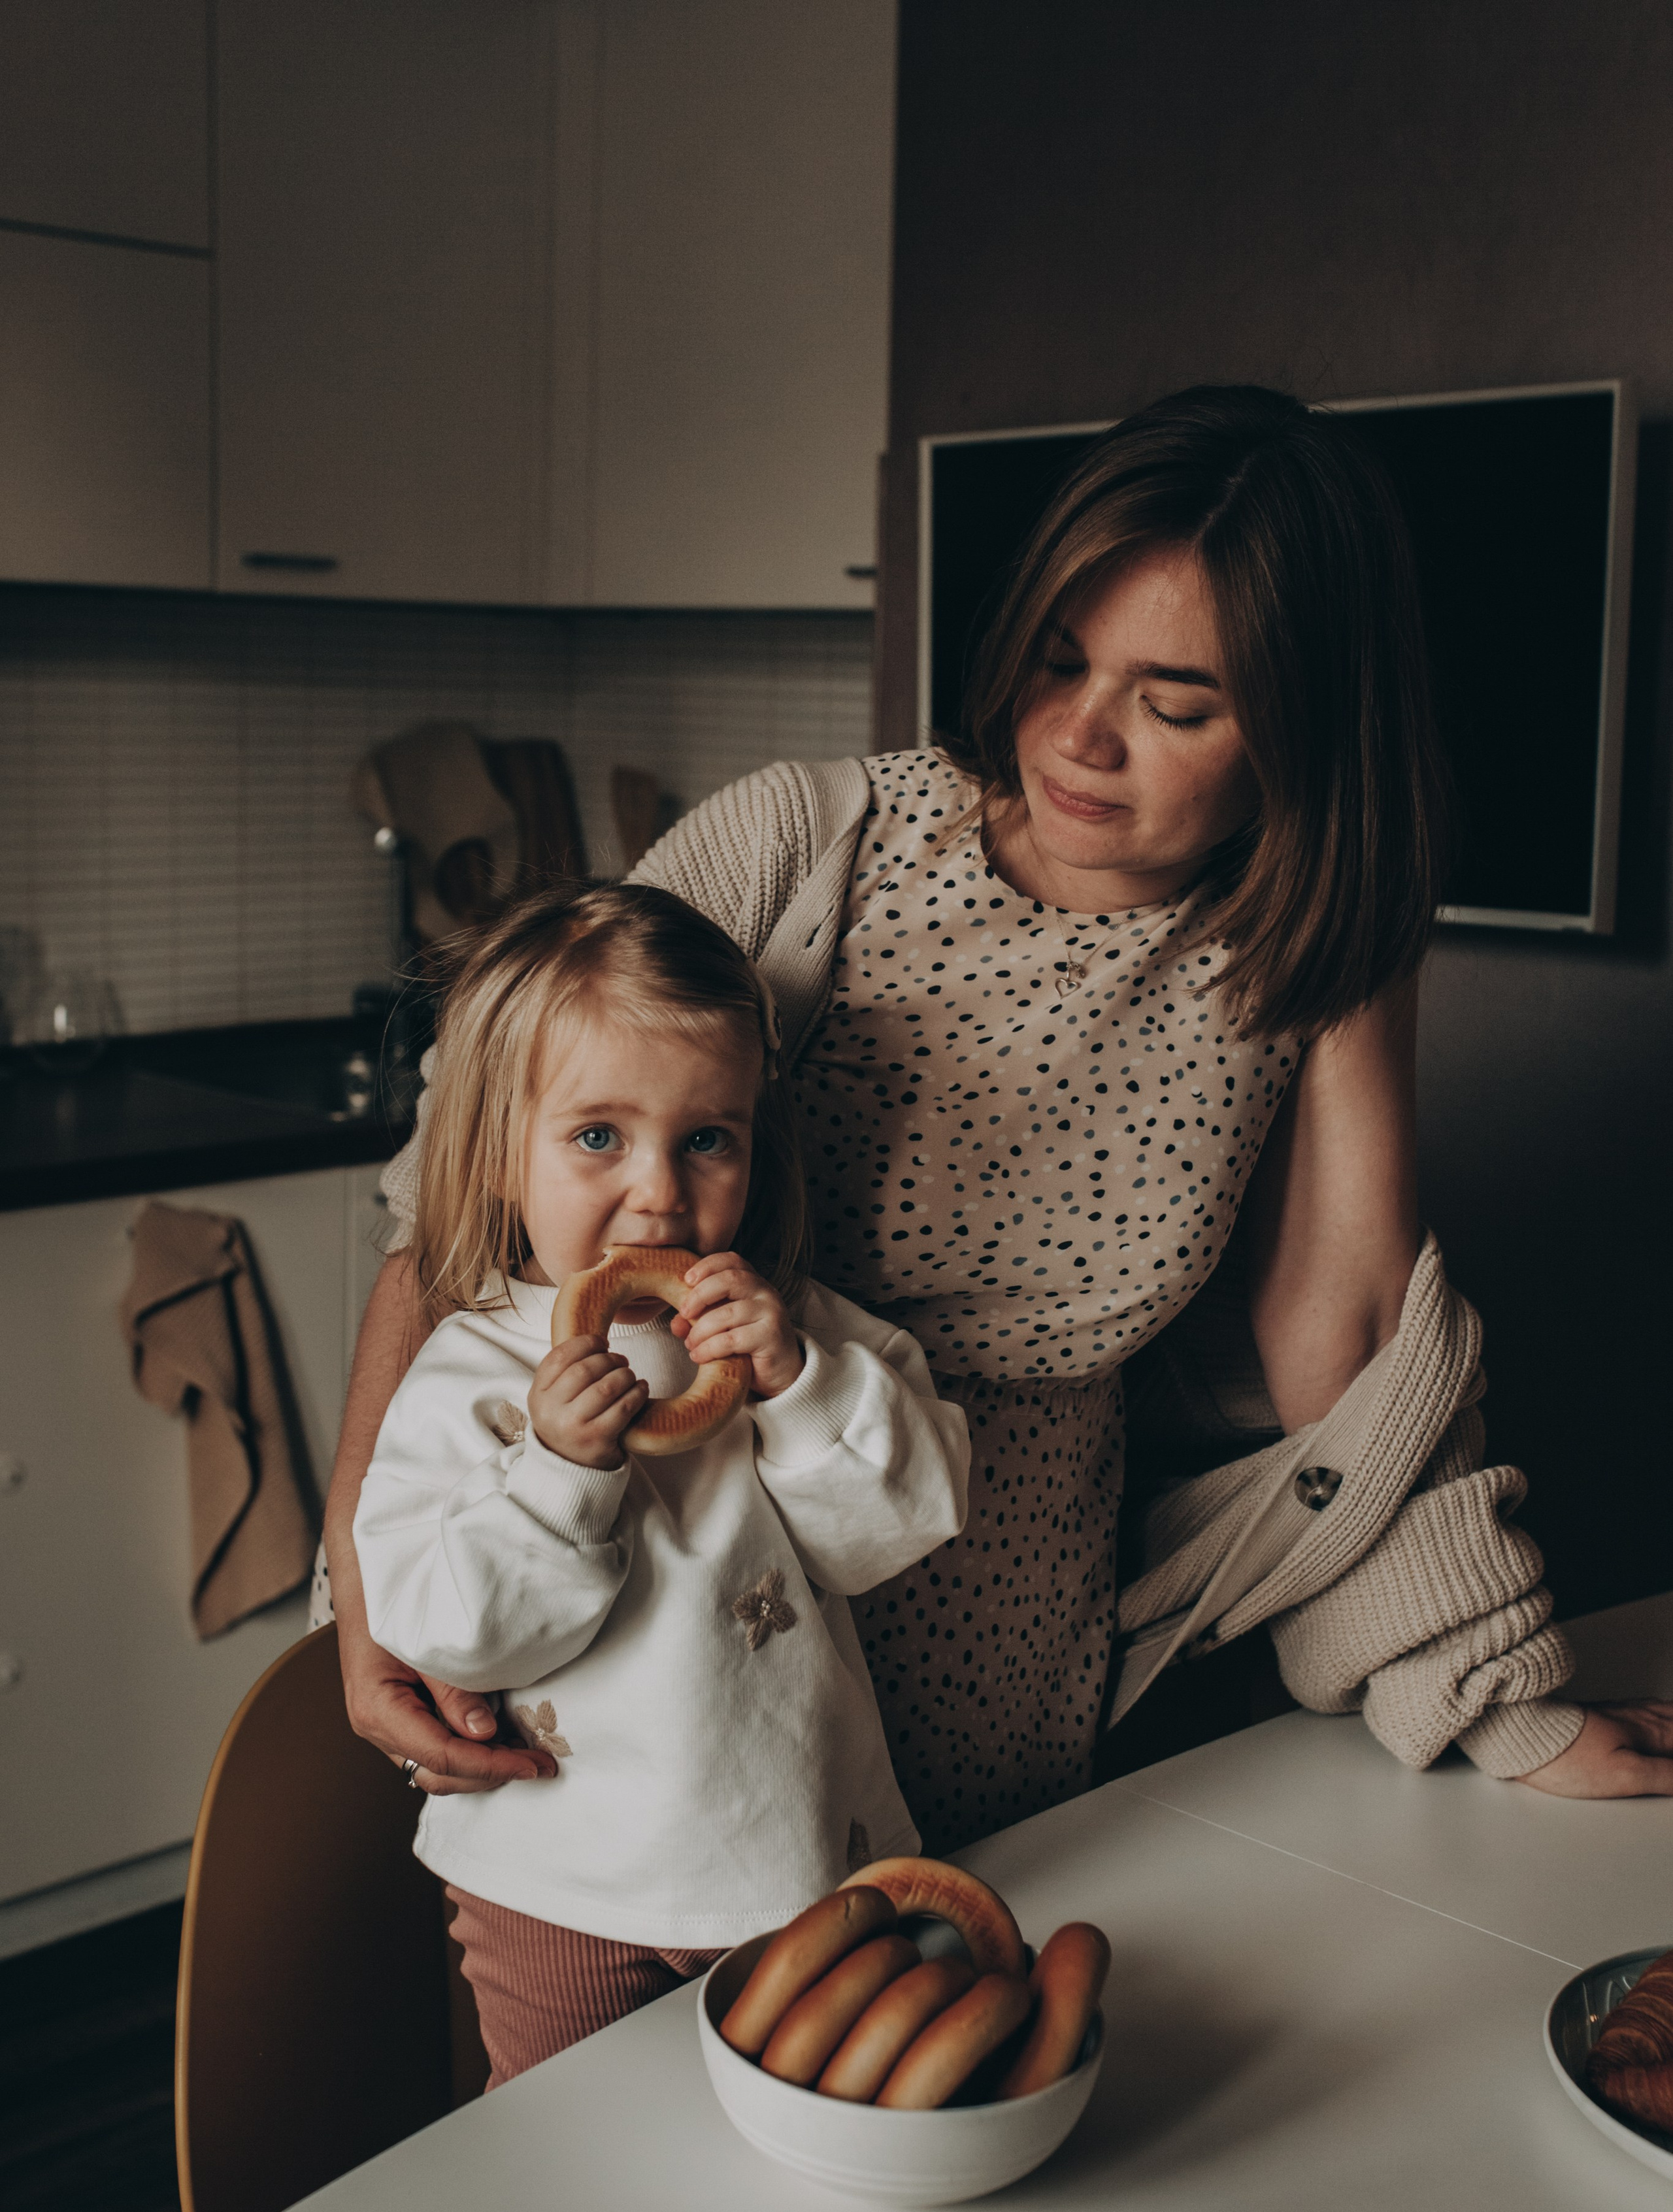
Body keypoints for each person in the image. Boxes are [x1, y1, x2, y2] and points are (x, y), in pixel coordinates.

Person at [327, 384, 1673, 1840]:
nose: (1083, 737)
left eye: (1174, 704)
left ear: (1301, 728)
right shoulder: (803, 845)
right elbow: (446, 1212)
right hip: (643, 1649)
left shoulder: (1312, 951)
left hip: (999, 1671)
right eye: (1056, 659)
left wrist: (1501, 1704)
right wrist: (361, 1588)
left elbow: (1344, 1360)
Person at [349, 881, 968, 2081]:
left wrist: (798, 1384)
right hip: (559, 1883)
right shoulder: (470, 1371)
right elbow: (449, 1634)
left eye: (706, 1140)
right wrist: (557, 1475)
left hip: (790, 1855)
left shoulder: (792, 1331)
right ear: (495, 1155)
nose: (658, 1191)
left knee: (793, 2134)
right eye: (598, 1137)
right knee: (571, 2156)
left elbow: (898, 1530)